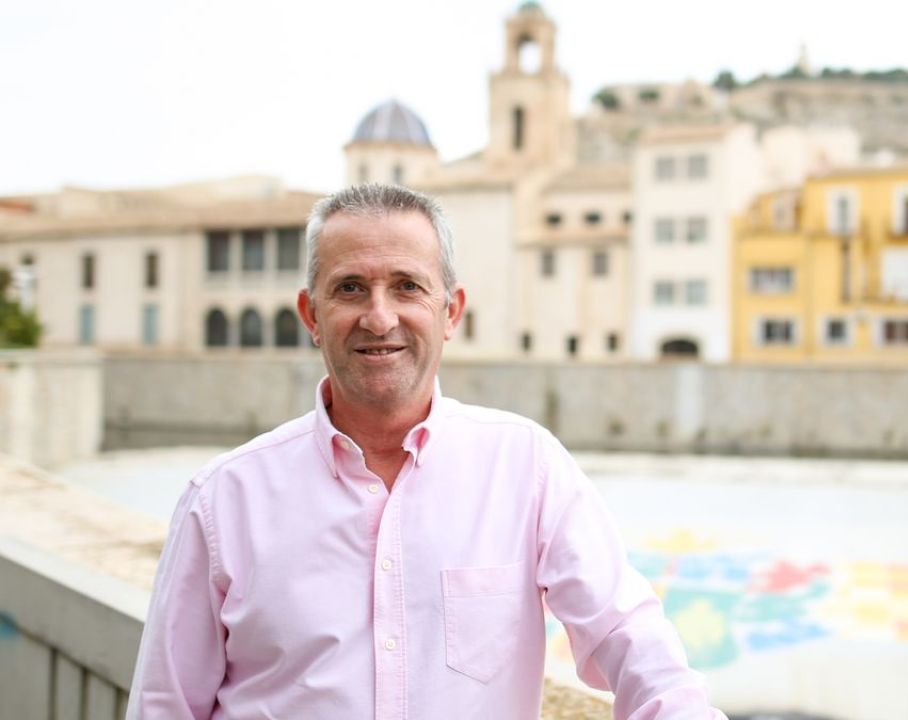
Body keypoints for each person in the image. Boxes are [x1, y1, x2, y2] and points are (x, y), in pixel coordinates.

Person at [127, 184, 725, 719]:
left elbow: (625, 633)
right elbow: (164, 706)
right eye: (350, 288)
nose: (378, 317)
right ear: (311, 314)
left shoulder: (526, 468)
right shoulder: (222, 499)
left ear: (450, 312)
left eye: (407, 287)